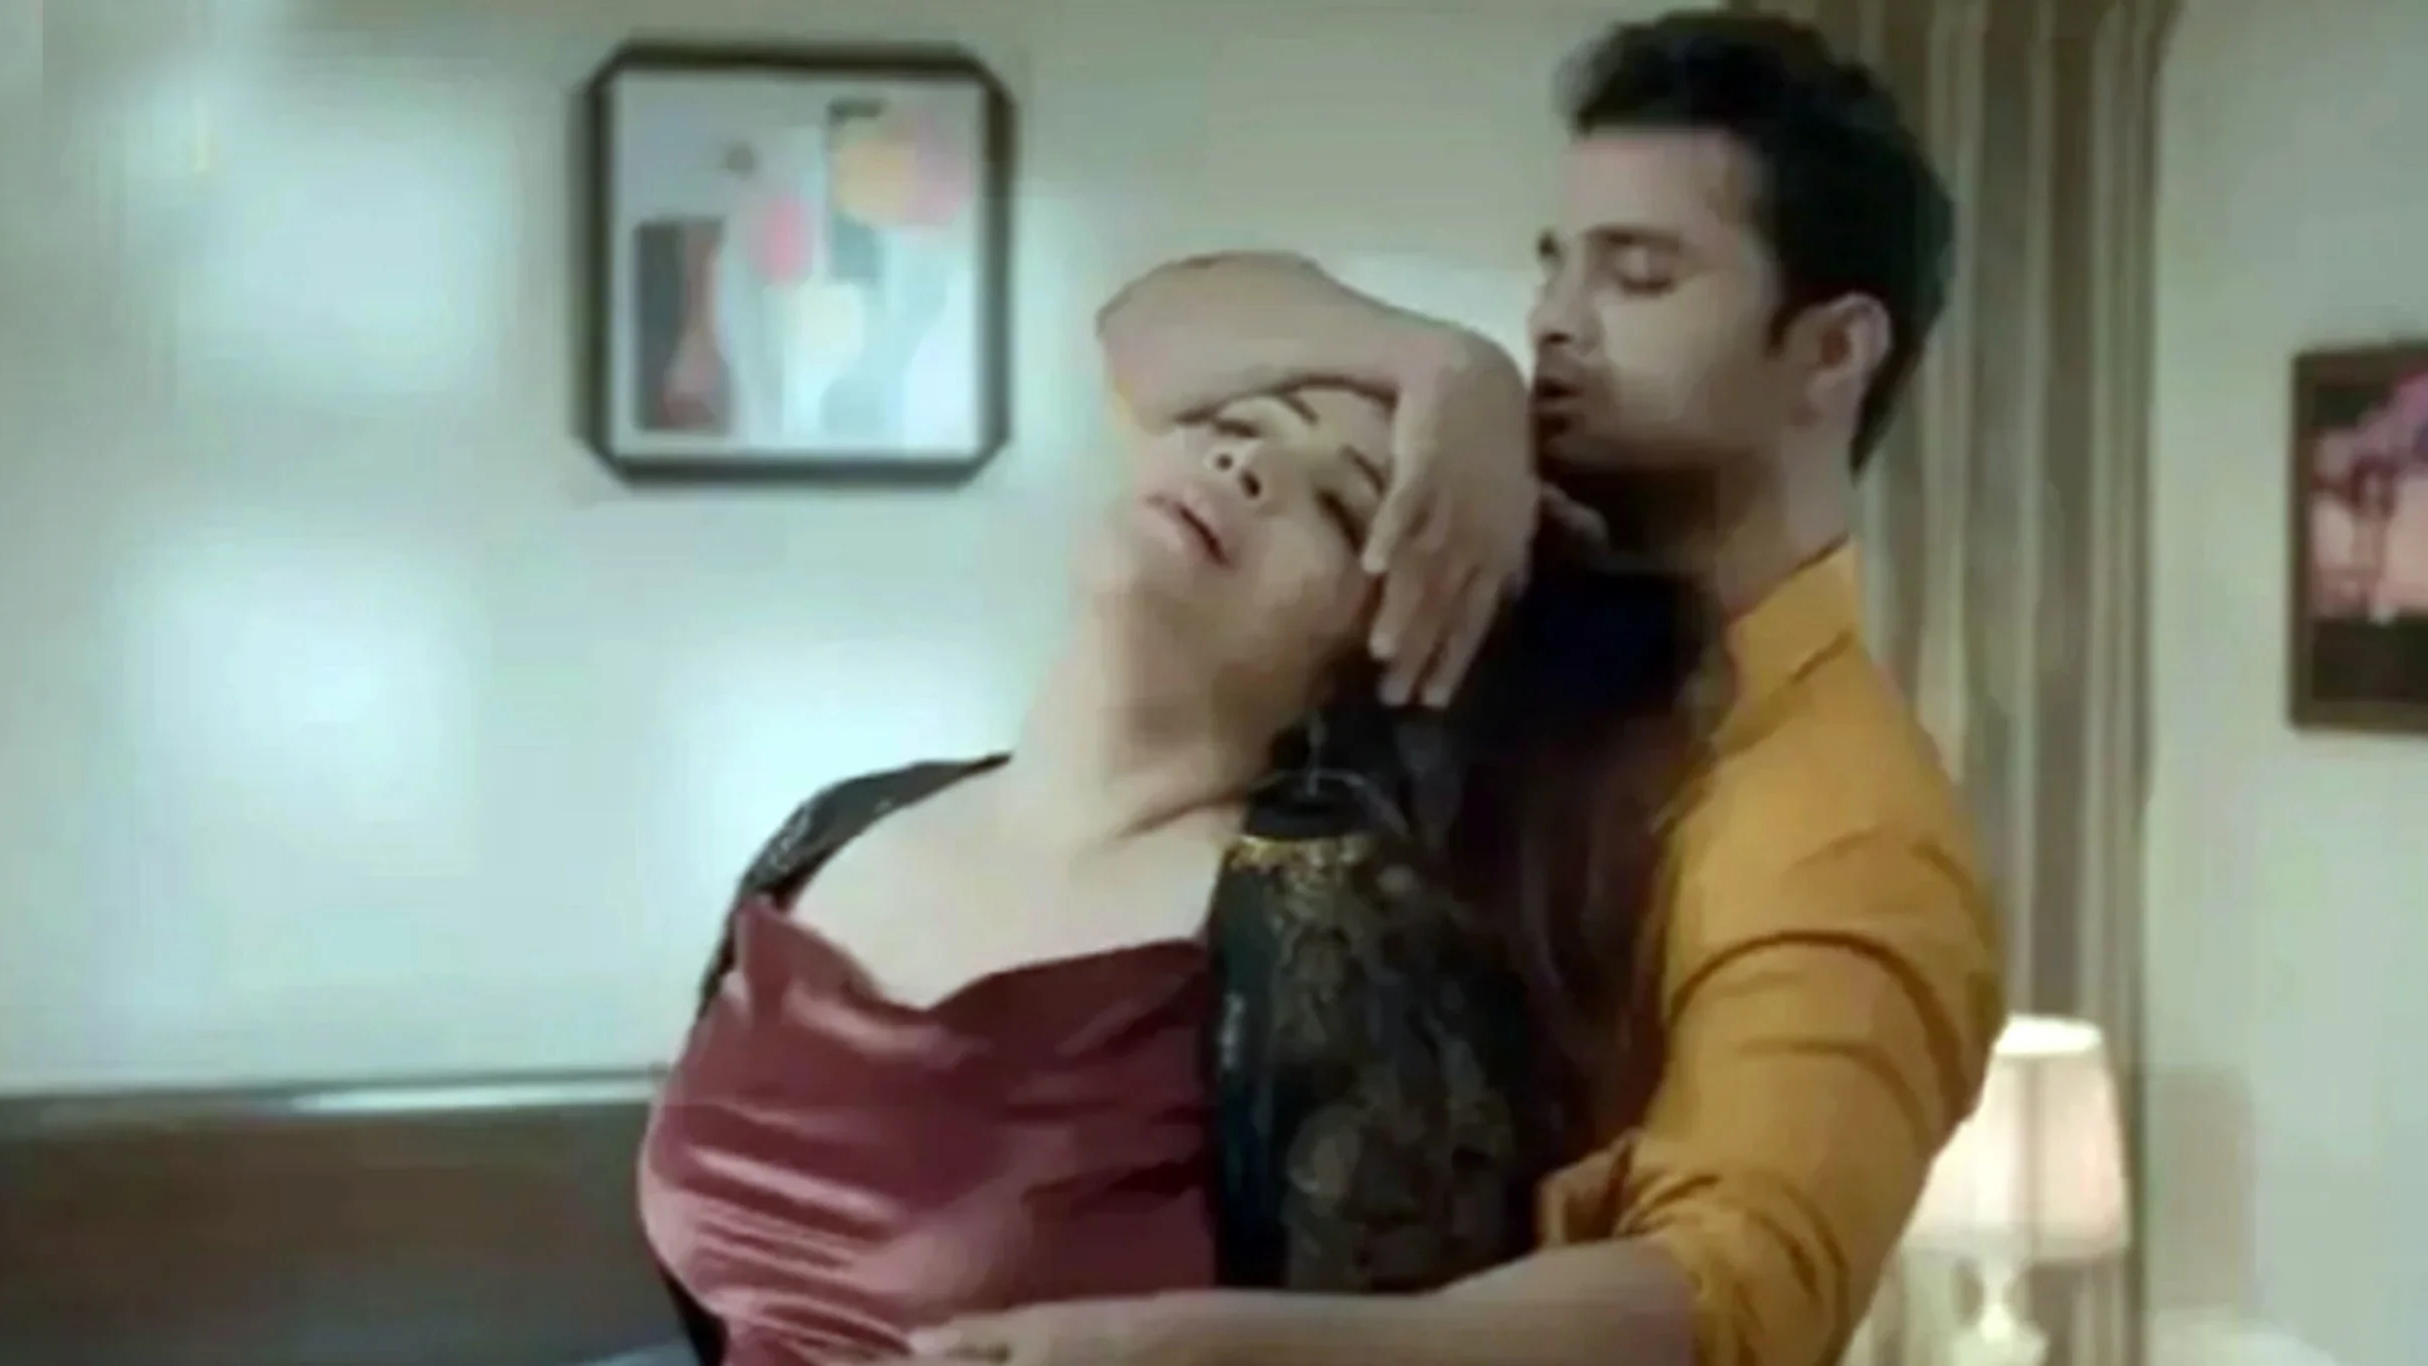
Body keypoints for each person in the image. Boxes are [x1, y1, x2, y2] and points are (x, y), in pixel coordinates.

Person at [909, 13, 2004, 1366]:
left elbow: (1728, 1296)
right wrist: (1435, 361)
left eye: (1638, 276)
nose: (1556, 322)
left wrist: (1184, 1354)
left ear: (1831, 352)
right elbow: (1148, 335)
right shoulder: (1485, 526)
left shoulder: (1850, 827)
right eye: (1554, 265)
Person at [640, 384, 1710, 1366]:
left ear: (1390, 650)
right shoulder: (840, 824)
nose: (1248, 465)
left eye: (1339, 505)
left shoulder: (1334, 935)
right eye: (1235, 424)